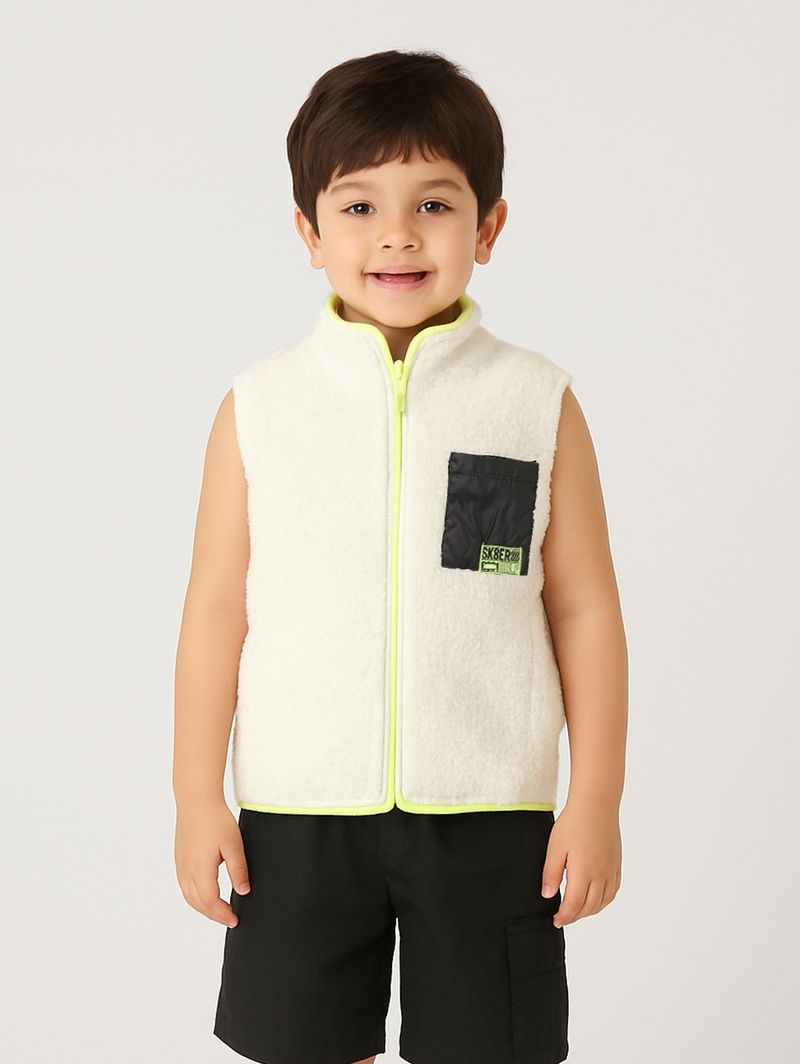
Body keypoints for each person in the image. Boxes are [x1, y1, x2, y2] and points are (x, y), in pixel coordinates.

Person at [173, 48, 628, 1064]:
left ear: (488, 226)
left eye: (432, 203)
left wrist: (595, 795)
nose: (396, 234)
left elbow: (584, 608)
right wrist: (195, 792)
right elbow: (215, 609)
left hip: (488, 810)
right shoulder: (259, 406)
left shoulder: (535, 401)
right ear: (309, 231)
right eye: (358, 206)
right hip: (297, 809)